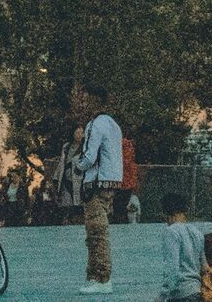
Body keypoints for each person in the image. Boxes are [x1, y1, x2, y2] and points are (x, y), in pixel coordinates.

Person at [75, 85, 124, 294]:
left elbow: (89, 157)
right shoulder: (114, 125)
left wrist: (77, 165)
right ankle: (96, 276)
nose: (83, 104)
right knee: (100, 231)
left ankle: (101, 278)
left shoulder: (95, 124)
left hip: (95, 184)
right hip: (112, 183)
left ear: (95, 101)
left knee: (96, 233)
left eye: (86, 100)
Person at [155, 191, 204, 302]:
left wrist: (162, 296)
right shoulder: (197, 233)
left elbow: (172, 269)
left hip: (180, 293)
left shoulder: (171, 232)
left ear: (166, 213)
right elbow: (204, 267)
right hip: (196, 292)